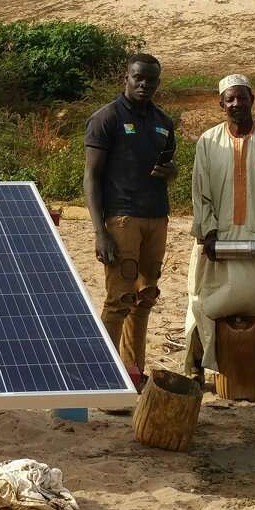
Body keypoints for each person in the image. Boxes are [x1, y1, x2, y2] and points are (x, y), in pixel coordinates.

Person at [184, 74, 255, 390]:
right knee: (201, 302)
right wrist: (210, 232)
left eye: (241, 97)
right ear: (221, 104)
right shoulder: (208, 141)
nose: (236, 104)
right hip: (218, 239)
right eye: (229, 99)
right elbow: (200, 191)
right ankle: (194, 368)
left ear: (252, 100)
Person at [84, 54, 176, 380]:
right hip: (121, 219)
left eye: (150, 80)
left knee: (145, 297)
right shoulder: (106, 118)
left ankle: (132, 371)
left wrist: (171, 172)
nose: (144, 84)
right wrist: (99, 231)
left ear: (157, 82)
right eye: (138, 78)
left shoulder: (164, 122)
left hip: (157, 218)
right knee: (119, 299)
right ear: (127, 77)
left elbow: (167, 166)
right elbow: (91, 177)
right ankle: (106, 375)